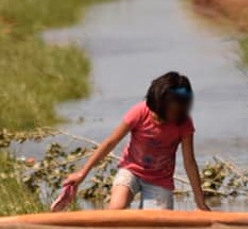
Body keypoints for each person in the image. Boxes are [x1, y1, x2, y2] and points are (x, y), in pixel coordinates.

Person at [56, 72, 210, 211]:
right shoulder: (140, 112)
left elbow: (189, 161)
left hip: (160, 180)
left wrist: (200, 202)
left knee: (155, 223)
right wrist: (82, 174)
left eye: (173, 112)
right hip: (131, 170)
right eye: (160, 112)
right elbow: (111, 142)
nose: (162, 118)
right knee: (116, 208)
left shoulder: (184, 124)